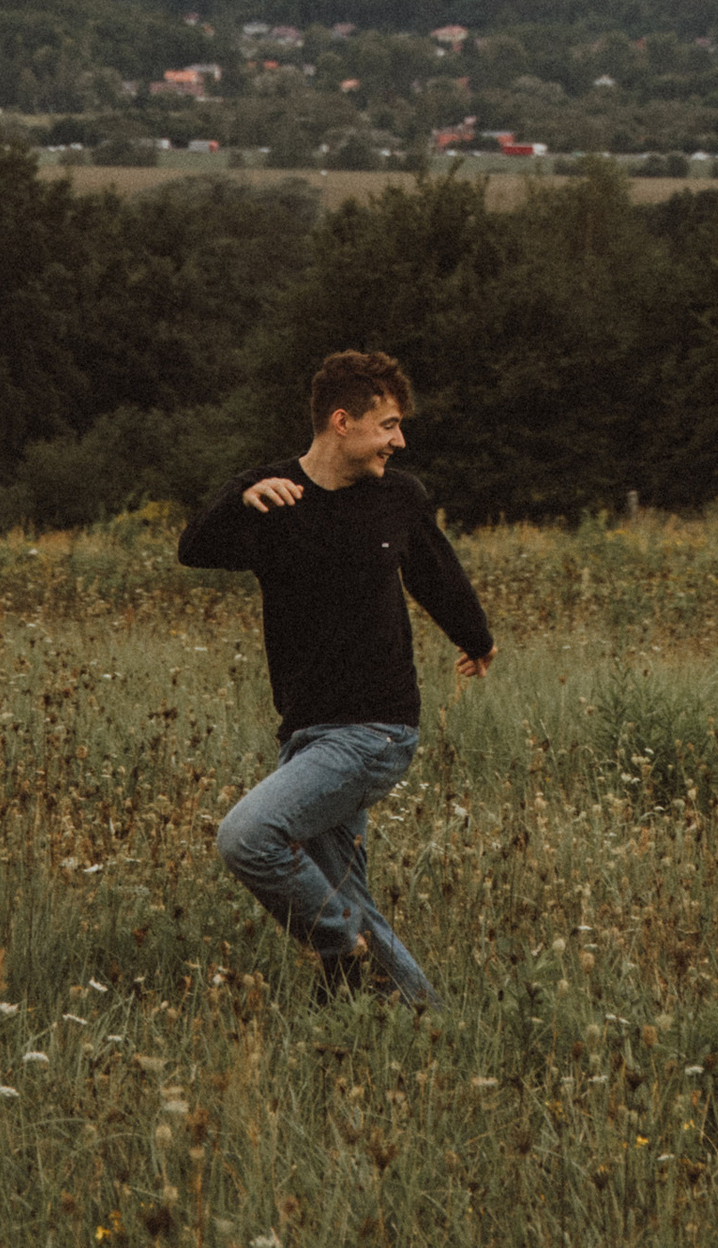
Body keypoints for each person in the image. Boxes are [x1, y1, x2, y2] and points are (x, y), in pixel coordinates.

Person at [178, 347, 495, 1008]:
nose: (399, 441)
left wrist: (475, 637)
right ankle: (421, 1017)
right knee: (345, 891)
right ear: (342, 421)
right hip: (306, 732)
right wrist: (240, 501)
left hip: (377, 731)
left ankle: (341, 952)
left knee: (248, 837)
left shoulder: (396, 499)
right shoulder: (272, 495)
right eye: (388, 426)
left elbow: (436, 571)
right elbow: (195, 549)